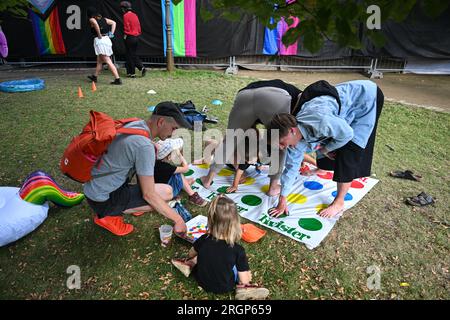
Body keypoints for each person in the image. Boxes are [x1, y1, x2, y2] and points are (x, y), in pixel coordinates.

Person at [267, 80, 384, 219]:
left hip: (366, 97)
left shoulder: (321, 120)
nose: (282, 147)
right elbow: (291, 169)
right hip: (339, 107)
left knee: (349, 149)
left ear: (292, 130)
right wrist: (282, 200)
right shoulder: (293, 142)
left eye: (281, 142)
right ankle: (323, 167)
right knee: (326, 143)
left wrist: (325, 150)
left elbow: (347, 134)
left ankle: (339, 201)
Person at [83, 101, 192, 236]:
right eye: (174, 128)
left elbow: (134, 146)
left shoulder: (136, 124)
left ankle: (126, 206)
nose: (173, 134)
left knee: (154, 191)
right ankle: (108, 216)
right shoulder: (144, 147)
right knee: (167, 193)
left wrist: (153, 146)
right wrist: (178, 220)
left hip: (93, 187)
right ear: (161, 122)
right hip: (104, 200)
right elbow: (149, 194)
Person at [199, 79, 303, 197]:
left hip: (244, 95)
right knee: (280, 144)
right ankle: (273, 187)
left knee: (229, 139)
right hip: (276, 97)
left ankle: (208, 179)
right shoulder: (300, 102)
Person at [171, 195, 270, 300]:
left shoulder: (203, 239)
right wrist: (245, 281)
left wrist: (195, 257)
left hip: (202, 280)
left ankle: (188, 264)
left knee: (202, 254)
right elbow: (243, 274)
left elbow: (191, 253)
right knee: (238, 268)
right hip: (225, 286)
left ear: (210, 221)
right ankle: (244, 289)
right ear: (235, 223)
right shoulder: (238, 250)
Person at [155, 138, 207, 207]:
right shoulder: (167, 167)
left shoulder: (157, 163)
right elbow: (186, 169)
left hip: (159, 188)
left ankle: (184, 184)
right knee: (178, 174)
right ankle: (192, 195)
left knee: (177, 173)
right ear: (169, 157)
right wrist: (180, 155)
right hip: (164, 193)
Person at [86, 7, 122, 85]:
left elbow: (95, 24)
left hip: (101, 40)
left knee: (108, 61)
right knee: (99, 61)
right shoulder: (104, 19)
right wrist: (111, 34)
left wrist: (99, 34)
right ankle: (94, 77)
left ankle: (117, 79)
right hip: (106, 39)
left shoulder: (92, 19)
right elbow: (114, 23)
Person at [120, 1, 146, 78]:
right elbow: (139, 27)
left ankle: (140, 68)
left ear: (124, 8)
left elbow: (126, 28)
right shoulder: (135, 15)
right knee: (131, 54)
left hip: (129, 37)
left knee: (130, 55)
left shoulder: (125, 16)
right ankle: (131, 73)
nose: (122, 10)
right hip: (136, 37)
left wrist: (125, 34)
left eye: (122, 8)